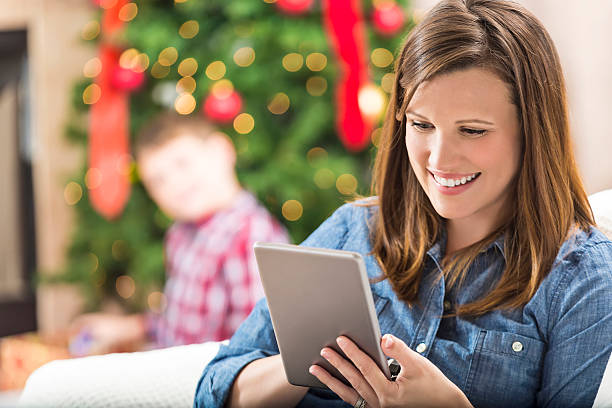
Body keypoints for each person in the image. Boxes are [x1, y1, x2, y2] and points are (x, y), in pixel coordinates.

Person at [194, 0, 612, 407]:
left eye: (472, 130)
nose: (439, 159)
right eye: (422, 124)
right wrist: (311, 361)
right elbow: (214, 388)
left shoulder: (583, 278)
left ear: (533, 132)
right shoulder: (354, 230)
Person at [70, 113, 289, 351]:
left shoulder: (250, 236)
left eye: (182, 163)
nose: (173, 184)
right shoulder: (180, 234)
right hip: (172, 362)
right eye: (157, 180)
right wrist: (133, 327)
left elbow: (257, 349)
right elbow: (184, 326)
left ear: (221, 151)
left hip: (211, 380)